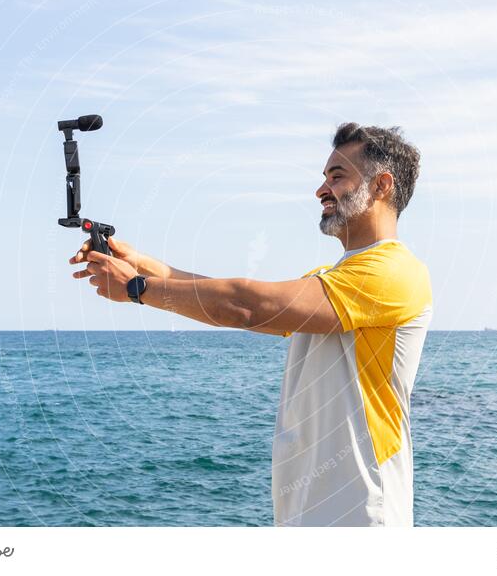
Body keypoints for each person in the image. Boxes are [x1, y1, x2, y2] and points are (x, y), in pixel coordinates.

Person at [69, 122, 433, 526]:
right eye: (324, 178)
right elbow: (239, 303)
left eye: (337, 176)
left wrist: (137, 288)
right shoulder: (340, 278)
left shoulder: (393, 272)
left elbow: (247, 306)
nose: (321, 190)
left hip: (362, 518)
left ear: (382, 186)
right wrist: (144, 265)